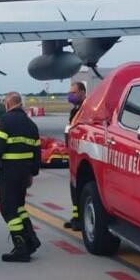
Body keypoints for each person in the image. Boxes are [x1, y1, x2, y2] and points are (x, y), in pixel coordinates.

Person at [0, 92, 42, 262]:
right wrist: (33, 173)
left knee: (8, 209)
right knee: (19, 207)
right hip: (24, 173)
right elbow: (37, 152)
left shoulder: (5, 121)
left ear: (8, 104)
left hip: (9, 172)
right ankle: (31, 239)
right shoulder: (31, 125)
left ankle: (21, 247)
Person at [63, 82, 87, 231]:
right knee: (73, 187)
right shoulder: (76, 110)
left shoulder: (87, 108)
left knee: (78, 187)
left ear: (83, 93)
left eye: (74, 92)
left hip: (81, 153)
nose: (71, 95)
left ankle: (80, 219)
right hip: (74, 152)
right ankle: (76, 217)